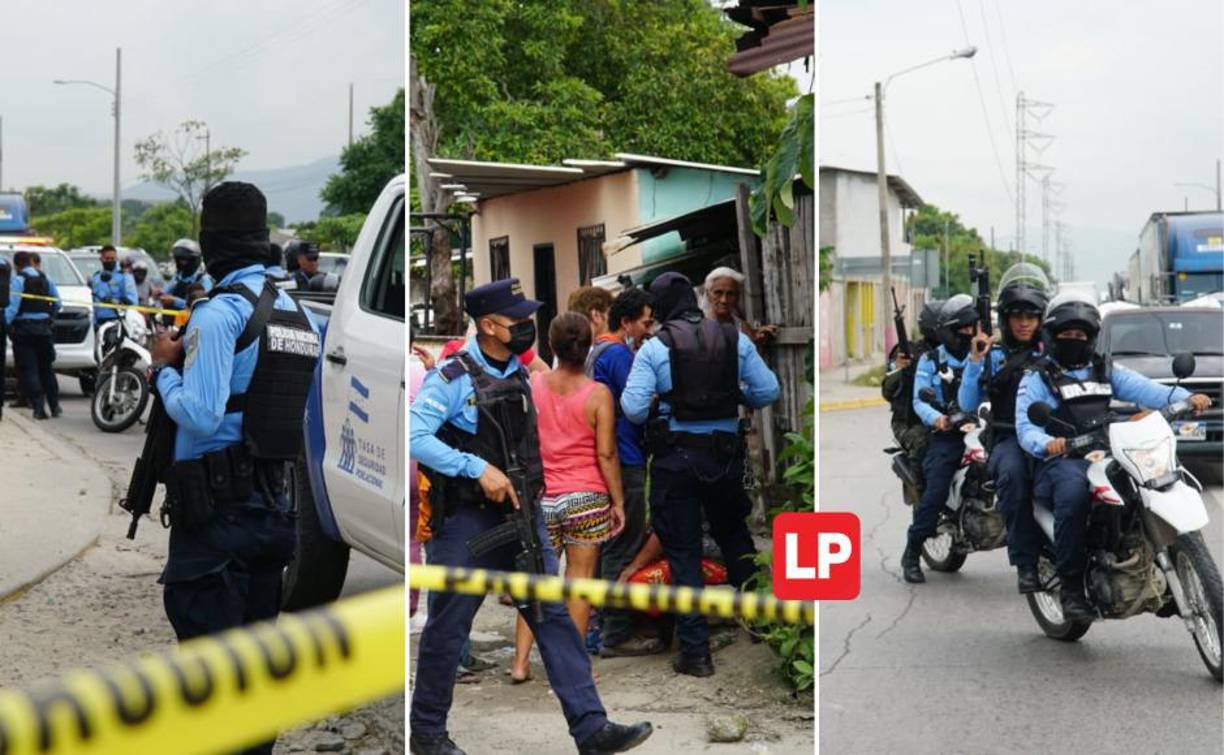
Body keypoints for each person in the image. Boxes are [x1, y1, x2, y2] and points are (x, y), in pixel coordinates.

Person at [409, 277, 652, 755]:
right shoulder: (453, 377)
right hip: (466, 524)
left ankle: (591, 727)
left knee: (554, 617)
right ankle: (428, 734)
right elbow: (416, 434)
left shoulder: (521, 372)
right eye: (517, 320)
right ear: (488, 326)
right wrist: (476, 468)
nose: (527, 326)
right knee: (448, 625)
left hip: (522, 519)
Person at [149, 182, 320, 755]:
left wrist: (163, 371)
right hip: (273, 512)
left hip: (217, 520)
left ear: (209, 245)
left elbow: (199, 414)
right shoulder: (299, 316)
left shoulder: (218, 315)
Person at [621, 272, 780, 677]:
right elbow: (768, 391)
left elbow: (634, 409)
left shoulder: (655, 347)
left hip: (677, 460)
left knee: (683, 553)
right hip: (725, 459)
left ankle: (696, 653)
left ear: (657, 309)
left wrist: (666, 399)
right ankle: (765, 627)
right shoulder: (734, 339)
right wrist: (734, 395)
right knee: (735, 538)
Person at [1015, 291, 1210, 621]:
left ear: (1091, 337)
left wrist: (1188, 398)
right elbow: (1025, 426)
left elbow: (1149, 390)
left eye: (1080, 334)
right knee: (1074, 495)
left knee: (1146, 484)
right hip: (1064, 460)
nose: (1073, 340)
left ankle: (1150, 564)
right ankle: (1073, 589)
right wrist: (1049, 443)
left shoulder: (1105, 371)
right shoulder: (1038, 377)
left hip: (1107, 450)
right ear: (1051, 337)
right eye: (1066, 334)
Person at [509, 312, 625, 682]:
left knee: (537, 581)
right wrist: (618, 501)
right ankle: (572, 668)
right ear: (589, 347)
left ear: (552, 345)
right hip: (586, 499)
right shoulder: (599, 395)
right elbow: (606, 454)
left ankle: (521, 663)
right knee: (579, 582)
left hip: (542, 498)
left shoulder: (536, 383)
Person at [957, 265, 1049, 593]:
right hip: (1009, 438)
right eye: (1017, 316)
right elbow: (967, 400)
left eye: (1031, 316)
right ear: (1006, 319)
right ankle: (1025, 563)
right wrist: (975, 360)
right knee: (1011, 477)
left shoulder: (1053, 354)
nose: (1024, 323)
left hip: (1055, 437)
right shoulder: (993, 356)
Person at [587, 286, 659, 657]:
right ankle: (616, 633)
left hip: (604, 459)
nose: (648, 330)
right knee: (622, 542)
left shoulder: (595, 350)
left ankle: (601, 627)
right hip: (624, 458)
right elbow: (638, 403)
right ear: (627, 321)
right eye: (645, 323)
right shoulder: (618, 354)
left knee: (603, 546)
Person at [901, 294, 978, 584]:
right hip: (948, 434)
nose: (968, 334)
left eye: (972, 328)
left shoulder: (985, 355)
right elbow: (919, 400)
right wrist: (939, 419)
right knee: (935, 489)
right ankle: (911, 552)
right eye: (962, 329)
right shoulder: (930, 360)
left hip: (984, 430)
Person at [881, 299, 943, 485]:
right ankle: (921, 490)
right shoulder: (908, 352)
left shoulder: (952, 351)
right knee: (921, 440)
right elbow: (887, 391)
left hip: (945, 416)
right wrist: (899, 369)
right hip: (908, 421)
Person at [4, 250, 61, 419]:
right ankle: (55, 406)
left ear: (16, 265)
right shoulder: (46, 279)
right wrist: (49, 317)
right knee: (47, 369)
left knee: (30, 370)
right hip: (44, 330)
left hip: (24, 331)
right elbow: (58, 303)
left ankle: (38, 408)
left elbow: (12, 309)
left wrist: (6, 325)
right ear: (31, 261)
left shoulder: (18, 281)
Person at [701, 266, 777, 349]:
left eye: (730, 294)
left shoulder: (742, 327)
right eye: (718, 292)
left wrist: (757, 335)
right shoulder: (698, 326)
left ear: (737, 297)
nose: (724, 300)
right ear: (708, 295)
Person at [159, 239, 212, 314]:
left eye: (184, 260)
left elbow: (203, 305)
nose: (182, 263)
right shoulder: (178, 277)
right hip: (171, 320)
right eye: (179, 260)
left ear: (194, 260)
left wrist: (176, 302)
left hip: (191, 321)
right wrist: (159, 294)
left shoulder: (203, 280)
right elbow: (165, 292)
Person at [90, 245, 138, 327]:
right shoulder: (96, 277)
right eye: (107, 258)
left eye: (112, 259)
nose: (109, 261)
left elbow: (133, 301)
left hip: (117, 321)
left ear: (117, 259)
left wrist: (117, 301)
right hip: (98, 322)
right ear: (101, 259)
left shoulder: (124, 277)